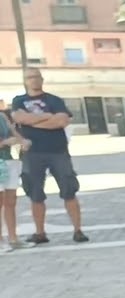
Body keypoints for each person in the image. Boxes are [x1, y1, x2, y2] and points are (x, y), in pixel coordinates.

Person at [10, 68, 87, 245]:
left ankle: (78, 230)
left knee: (69, 189)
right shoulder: (19, 100)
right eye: (30, 77)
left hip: (58, 151)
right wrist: (47, 117)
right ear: (25, 81)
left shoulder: (55, 100)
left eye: (36, 77)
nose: (34, 80)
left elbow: (61, 121)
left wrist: (33, 120)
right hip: (32, 153)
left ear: (42, 79)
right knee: (35, 192)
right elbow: (20, 118)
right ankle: (40, 233)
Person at [0, 102, 30, 251]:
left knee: (11, 201)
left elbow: (13, 132)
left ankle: (13, 237)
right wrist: (4, 142)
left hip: (9, 161)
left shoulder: (2, 116)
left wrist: (21, 140)